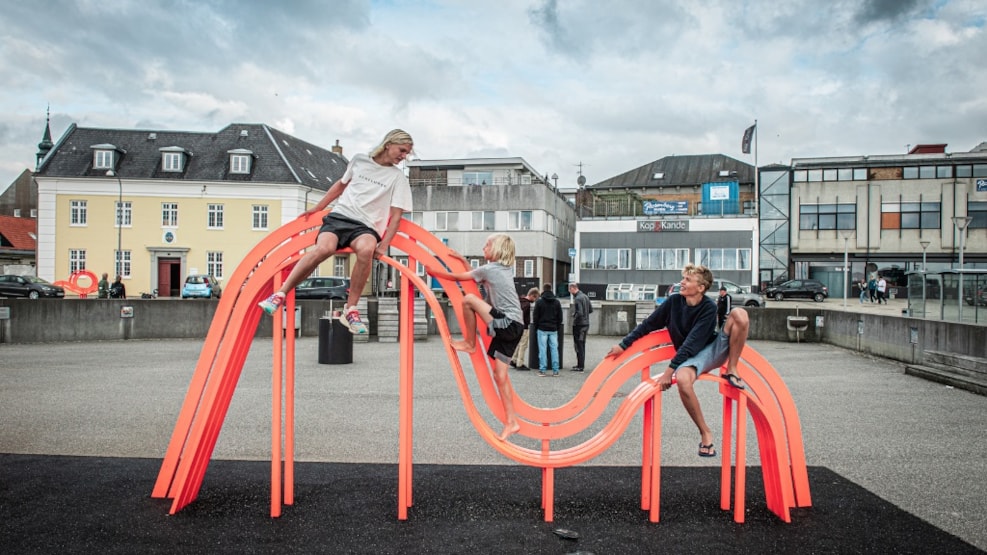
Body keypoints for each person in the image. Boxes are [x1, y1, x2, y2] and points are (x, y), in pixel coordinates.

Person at [258, 130, 414, 334]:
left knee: (367, 250)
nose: (403, 156)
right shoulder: (359, 160)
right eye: (402, 150)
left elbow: (395, 216)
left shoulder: (397, 177)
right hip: (339, 217)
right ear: (388, 144)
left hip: (365, 226)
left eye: (407, 154)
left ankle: (351, 310)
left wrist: (384, 244)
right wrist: (319, 207)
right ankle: (279, 294)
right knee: (324, 248)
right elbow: (340, 186)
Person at [604, 264, 749, 458]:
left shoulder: (708, 307)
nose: (682, 282)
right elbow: (648, 324)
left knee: (740, 314)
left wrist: (667, 371)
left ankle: (732, 368)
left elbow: (693, 342)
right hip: (691, 357)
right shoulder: (673, 303)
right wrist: (623, 345)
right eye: (683, 278)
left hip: (711, 350)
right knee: (683, 380)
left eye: (688, 280)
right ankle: (705, 432)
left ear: (701, 287)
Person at [426, 234, 525, 441]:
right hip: (515, 327)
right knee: (499, 375)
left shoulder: (489, 270)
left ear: (497, 249)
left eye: (487, 245)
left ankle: (471, 343)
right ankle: (512, 421)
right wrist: (462, 259)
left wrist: (433, 272)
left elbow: (460, 278)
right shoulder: (502, 269)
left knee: (469, 299)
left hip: (506, 323)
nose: (483, 247)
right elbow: (472, 272)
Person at [534, 283, 563, 377]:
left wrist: (536, 326)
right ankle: (555, 370)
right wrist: (557, 326)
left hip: (542, 328)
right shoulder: (557, 302)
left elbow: (535, 316)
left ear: (543, 289)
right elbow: (560, 317)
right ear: (551, 289)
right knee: (554, 349)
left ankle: (542, 370)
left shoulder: (539, 302)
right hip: (553, 328)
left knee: (542, 350)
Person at [510, 287, 540, 370]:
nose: (535, 300)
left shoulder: (520, 301)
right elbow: (522, 315)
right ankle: (520, 363)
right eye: (535, 297)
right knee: (523, 345)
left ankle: (513, 359)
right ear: (531, 295)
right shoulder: (526, 305)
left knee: (518, 343)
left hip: (516, 326)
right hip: (524, 327)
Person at [568, 282, 592, 372]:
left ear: (573, 288)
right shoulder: (585, 296)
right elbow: (590, 310)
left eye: (570, 290)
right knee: (582, 344)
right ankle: (580, 364)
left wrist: (574, 315)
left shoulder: (578, 299)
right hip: (586, 324)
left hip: (579, 325)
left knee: (578, 345)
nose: (570, 292)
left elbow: (580, 312)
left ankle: (580, 365)